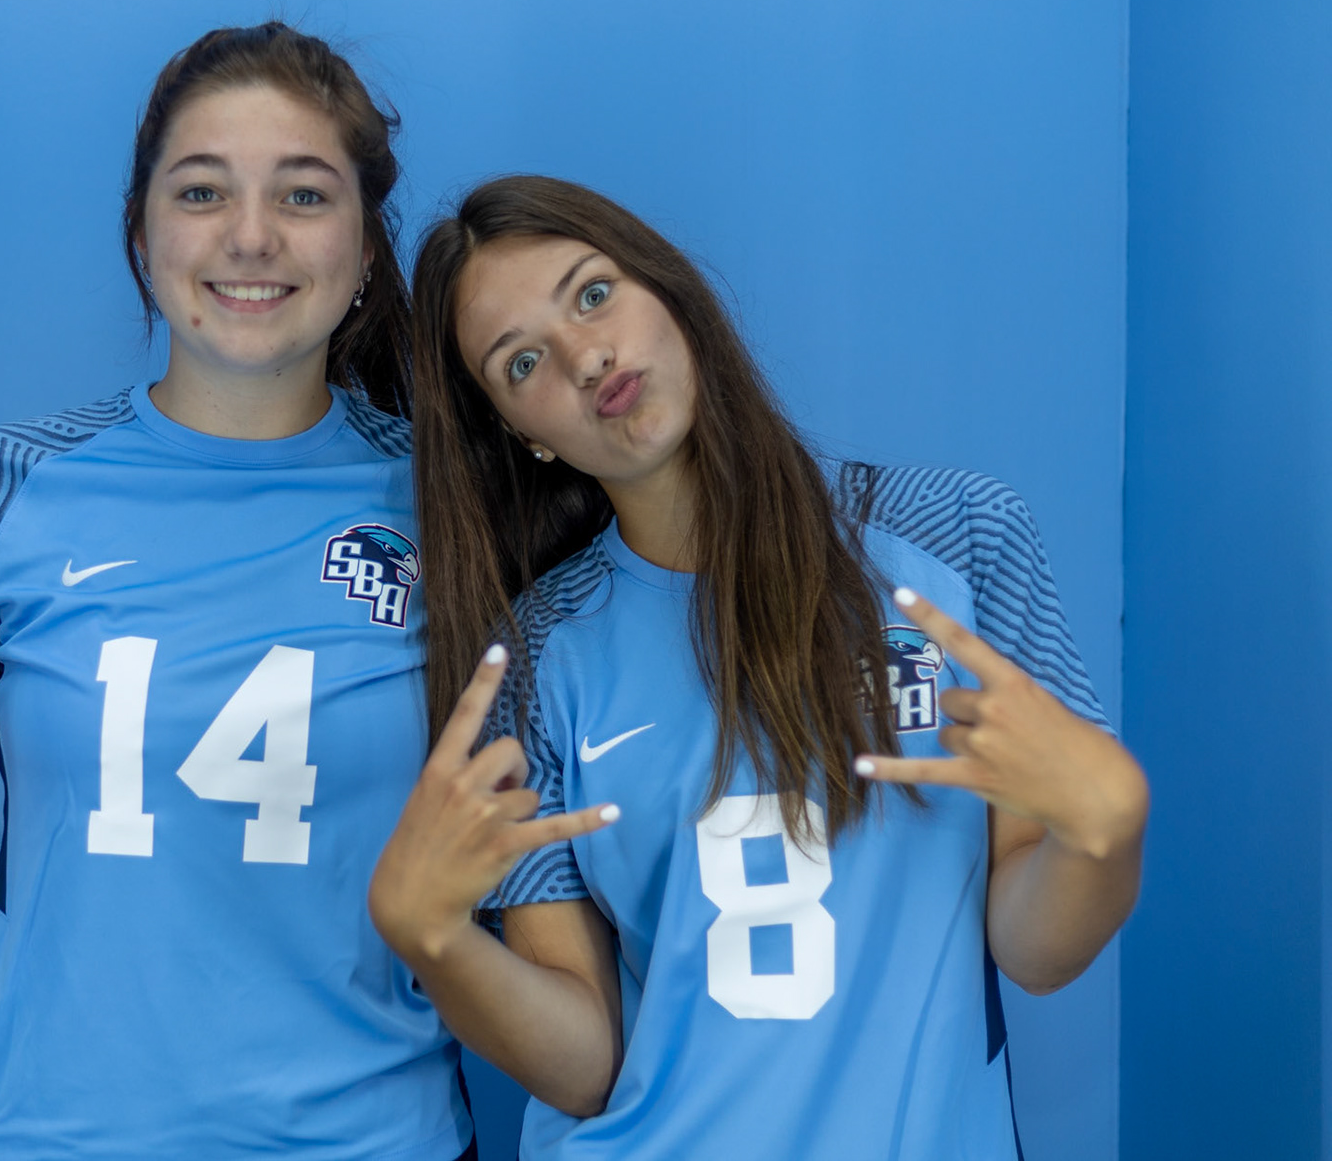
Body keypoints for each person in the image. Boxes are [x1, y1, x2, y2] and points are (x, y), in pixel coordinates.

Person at [0, 23, 476, 1161]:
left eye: (304, 195)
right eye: (202, 190)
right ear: (142, 231)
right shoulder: (2, 485)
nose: (251, 236)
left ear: (363, 250)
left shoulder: (451, 508)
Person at [368, 175, 1148, 1158]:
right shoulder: (530, 659)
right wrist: (431, 934)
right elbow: (587, 1062)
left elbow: (1035, 950)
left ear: (670, 290)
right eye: (522, 361)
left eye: (594, 293)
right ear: (525, 434)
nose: (583, 354)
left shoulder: (957, 539)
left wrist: (1105, 833)